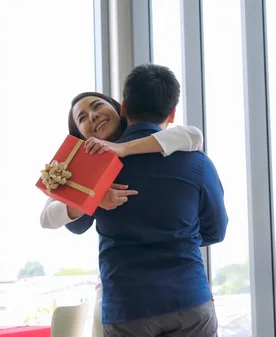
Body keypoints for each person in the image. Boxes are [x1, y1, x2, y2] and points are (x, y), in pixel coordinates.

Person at [65, 64, 227, 337]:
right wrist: (178, 236)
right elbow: (216, 231)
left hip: (128, 307)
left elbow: (75, 225)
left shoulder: (98, 167)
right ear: (172, 113)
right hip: (189, 300)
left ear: (123, 108)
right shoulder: (198, 162)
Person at [40, 91, 205, 337]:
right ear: (79, 134)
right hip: (119, 294)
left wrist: (122, 148)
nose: (93, 116)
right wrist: (94, 198)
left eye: (97, 106)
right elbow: (46, 219)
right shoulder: (80, 166)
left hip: (177, 291)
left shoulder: (149, 142)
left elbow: (193, 135)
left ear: (119, 109)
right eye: (82, 118)